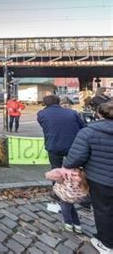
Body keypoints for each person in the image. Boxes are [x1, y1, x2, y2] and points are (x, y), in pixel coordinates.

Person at [63, 101, 113, 253]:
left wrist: (66, 167)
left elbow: (75, 158)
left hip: (101, 179)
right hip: (102, 178)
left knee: (103, 211)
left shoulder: (89, 132)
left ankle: (107, 244)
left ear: (98, 114)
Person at [37, 95, 84, 232]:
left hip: (54, 146)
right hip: (73, 146)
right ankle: (79, 192)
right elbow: (82, 127)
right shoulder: (72, 112)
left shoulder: (41, 114)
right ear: (59, 102)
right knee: (76, 171)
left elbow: (44, 125)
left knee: (56, 171)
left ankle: (58, 194)